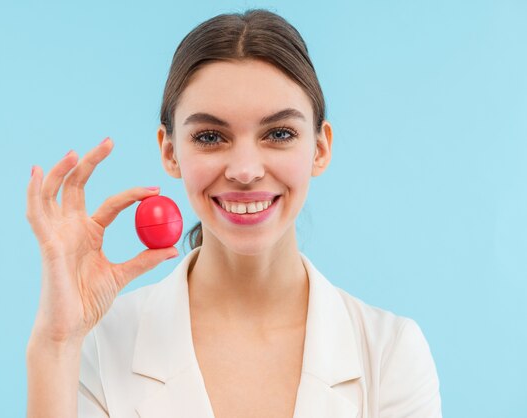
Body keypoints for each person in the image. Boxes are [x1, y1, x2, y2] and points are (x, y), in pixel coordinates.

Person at [25, 9, 442, 418]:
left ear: (320, 147)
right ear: (170, 152)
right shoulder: (101, 344)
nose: (245, 170)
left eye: (279, 134)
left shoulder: (390, 354)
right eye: (210, 136)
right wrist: (56, 343)